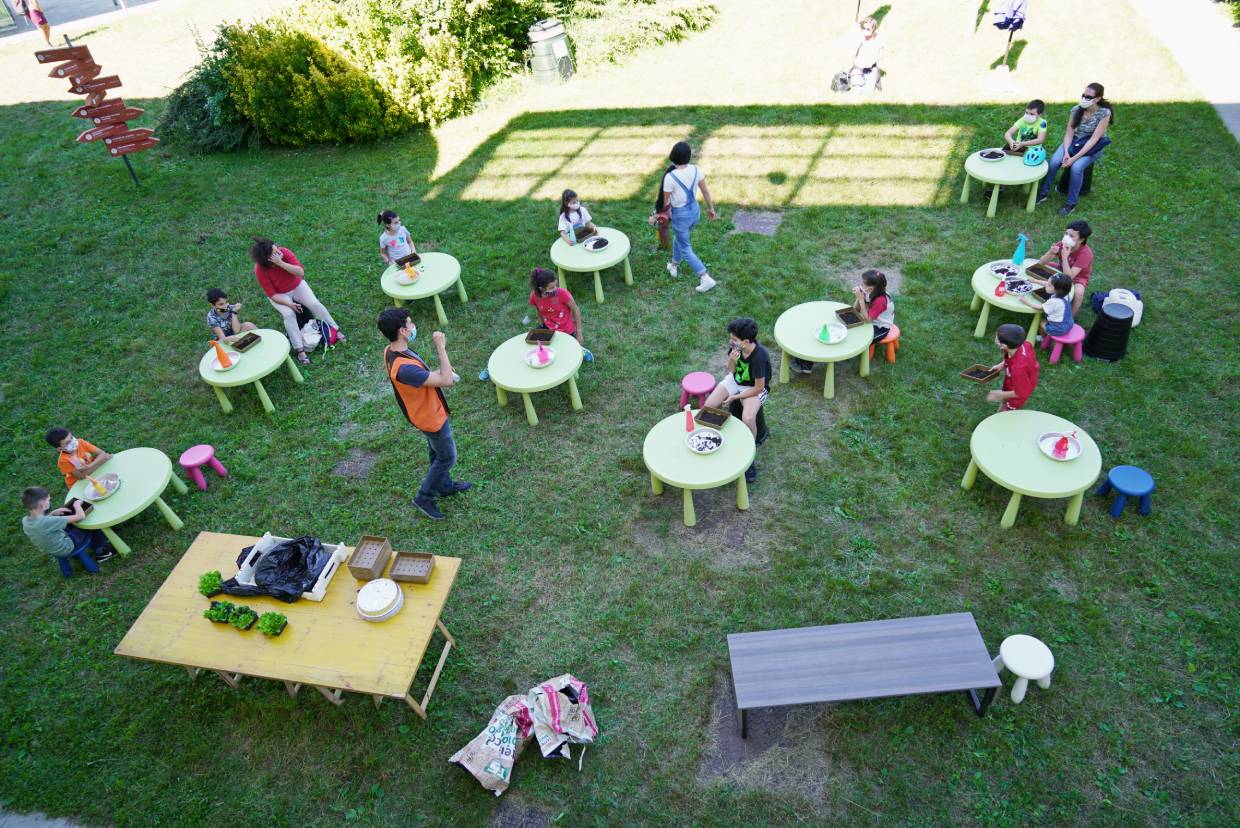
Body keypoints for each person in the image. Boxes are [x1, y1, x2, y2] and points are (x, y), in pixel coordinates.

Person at [377, 307, 470, 521]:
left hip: (422, 413)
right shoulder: (403, 368)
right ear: (402, 331)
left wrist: (438, 373)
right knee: (447, 457)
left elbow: (426, 377)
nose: (413, 325)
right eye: (410, 323)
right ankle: (424, 497)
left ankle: (444, 486)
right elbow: (445, 381)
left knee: (436, 452)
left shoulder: (390, 351)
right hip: (431, 418)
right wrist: (441, 348)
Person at [250, 238, 344, 366]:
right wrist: (289, 304)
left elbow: (300, 272)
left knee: (314, 304)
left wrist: (281, 263)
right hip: (280, 295)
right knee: (289, 315)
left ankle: (335, 329)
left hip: (296, 285)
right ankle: (299, 349)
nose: (278, 250)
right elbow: (272, 294)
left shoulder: (285, 252)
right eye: (274, 252)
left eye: (276, 247)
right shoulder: (260, 269)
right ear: (268, 258)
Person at [703, 317, 771, 482]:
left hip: (753, 388)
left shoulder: (759, 357)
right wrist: (732, 360)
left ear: (746, 341)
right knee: (709, 405)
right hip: (736, 379)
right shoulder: (737, 347)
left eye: (734, 339)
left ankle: (749, 456)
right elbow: (731, 370)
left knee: (748, 417)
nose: (731, 341)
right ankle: (715, 443)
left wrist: (735, 397)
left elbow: (759, 388)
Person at [1037, 82, 1114, 215]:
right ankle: (1043, 193)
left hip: (1091, 146)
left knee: (1077, 168)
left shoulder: (1104, 113)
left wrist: (1073, 159)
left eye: (1089, 97)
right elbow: (1068, 134)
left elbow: (1094, 140)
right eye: (1083, 95)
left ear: (1098, 99)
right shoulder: (1075, 110)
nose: (1085, 98)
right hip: (1073, 143)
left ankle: (1071, 203)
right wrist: (1067, 152)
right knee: (1054, 162)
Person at [660, 141, 718, 293]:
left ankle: (705, 277)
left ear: (672, 156)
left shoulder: (670, 177)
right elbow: (705, 191)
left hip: (681, 216)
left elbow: (665, 202)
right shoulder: (696, 169)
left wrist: (656, 215)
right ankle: (673, 265)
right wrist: (711, 208)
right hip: (695, 212)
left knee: (686, 248)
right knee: (679, 238)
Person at [22, 486, 114, 577]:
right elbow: (80, 516)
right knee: (89, 524)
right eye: (48, 500)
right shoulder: (48, 522)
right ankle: (101, 553)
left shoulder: (26, 521)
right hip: (67, 547)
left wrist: (52, 513)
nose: (50, 502)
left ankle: (68, 571)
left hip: (52, 549)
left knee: (68, 522)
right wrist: (77, 506)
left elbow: (43, 523)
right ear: (42, 504)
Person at [1028, 220, 1093, 316]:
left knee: (1078, 293)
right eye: (1066, 233)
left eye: (1071, 236)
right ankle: (1039, 290)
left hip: (1077, 277)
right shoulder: (1062, 244)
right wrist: (1051, 252)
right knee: (1034, 263)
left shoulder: (1085, 254)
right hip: (1061, 268)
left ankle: (1071, 316)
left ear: (1081, 239)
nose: (1067, 237)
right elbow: (1041, 262)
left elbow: (1069, 276)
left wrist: (1065, 257)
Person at [986, 323, 1038, 411]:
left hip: (1019, 391)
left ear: (1002, 345)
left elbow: (1021, 392)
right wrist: (1001, 365)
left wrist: (1000, 394)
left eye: (996, 337)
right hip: (1014, 381)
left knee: (1007, 412)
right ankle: (1003, 404)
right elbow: (1011, 357)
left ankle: (1003, 419)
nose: (995, 337)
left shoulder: (1018, 369)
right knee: (1005, 400)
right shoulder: (1023, 344)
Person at [45, 428, 112, 491]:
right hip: (77, 484)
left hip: (92, 472)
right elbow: (81, 476)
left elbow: (102, 453)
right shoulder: (63, 460)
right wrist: (101, 462)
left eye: (71, 437)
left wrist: (90, 466)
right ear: (60, 449)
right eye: (68, 443)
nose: (73, 441)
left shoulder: (80, 442)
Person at [1023, 272, 1074, 340]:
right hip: (1068, 324)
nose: (1046, 285)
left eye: (1049, 285)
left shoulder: (1054, 301)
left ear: (1058, 290)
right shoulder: (1065, 294)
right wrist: (1035, 281)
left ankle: (1042, 338)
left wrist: (1026, 301)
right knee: (1046, 319)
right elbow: (1047, 283)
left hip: (1058, 328)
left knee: (1041, 322)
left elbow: (1040, 307)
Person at [849, 16, 883, 94]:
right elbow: (851, 52)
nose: (865, 31)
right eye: (864, 28)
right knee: (857, 91)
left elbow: (880, 55)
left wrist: (871, 63)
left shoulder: (877, 41)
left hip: (870, 70)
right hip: (858, 69)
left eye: (868, 29)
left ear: (874, 30)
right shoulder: (859, 37)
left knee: (868, 92)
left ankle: (876, 78)